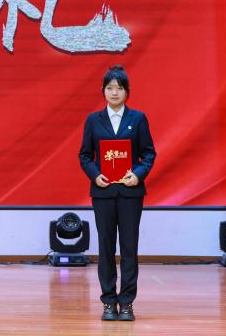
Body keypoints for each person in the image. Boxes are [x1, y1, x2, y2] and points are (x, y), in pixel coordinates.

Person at [78, 65, 157, 322]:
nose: (114, 93)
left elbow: (149, 154)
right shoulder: (93, 120)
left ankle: (127, 303)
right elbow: (85, 155)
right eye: (110, 88)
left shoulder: (138, 119)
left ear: (127, 92)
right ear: (103, 91)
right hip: (103, 193)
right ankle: (109, 302)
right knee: (105, 248)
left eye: (119, 88)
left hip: (130, 193)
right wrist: (95, 175)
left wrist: (138, 174)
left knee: (129, 248)